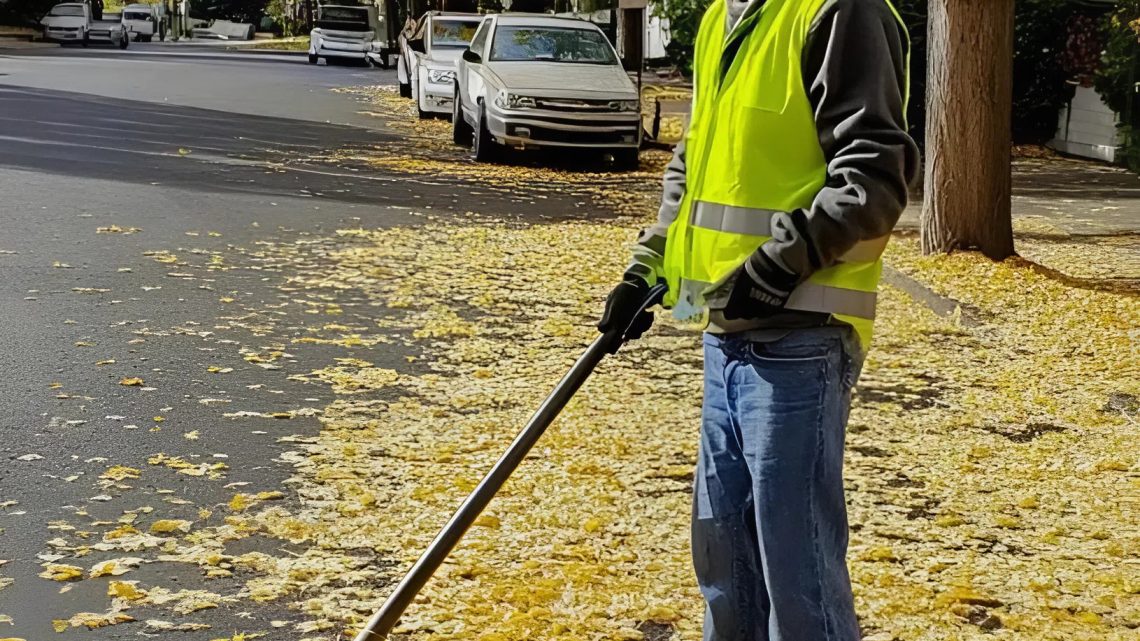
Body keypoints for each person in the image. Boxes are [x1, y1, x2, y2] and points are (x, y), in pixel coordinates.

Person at [597, 0, 920, 639]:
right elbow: (697, 163)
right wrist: (647, 265)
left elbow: (874, 177)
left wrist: (775, 269)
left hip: (801, 338)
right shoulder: (724, 16)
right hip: (725, 338)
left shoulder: (839, 13)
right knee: (726, 564)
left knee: (798, 581)